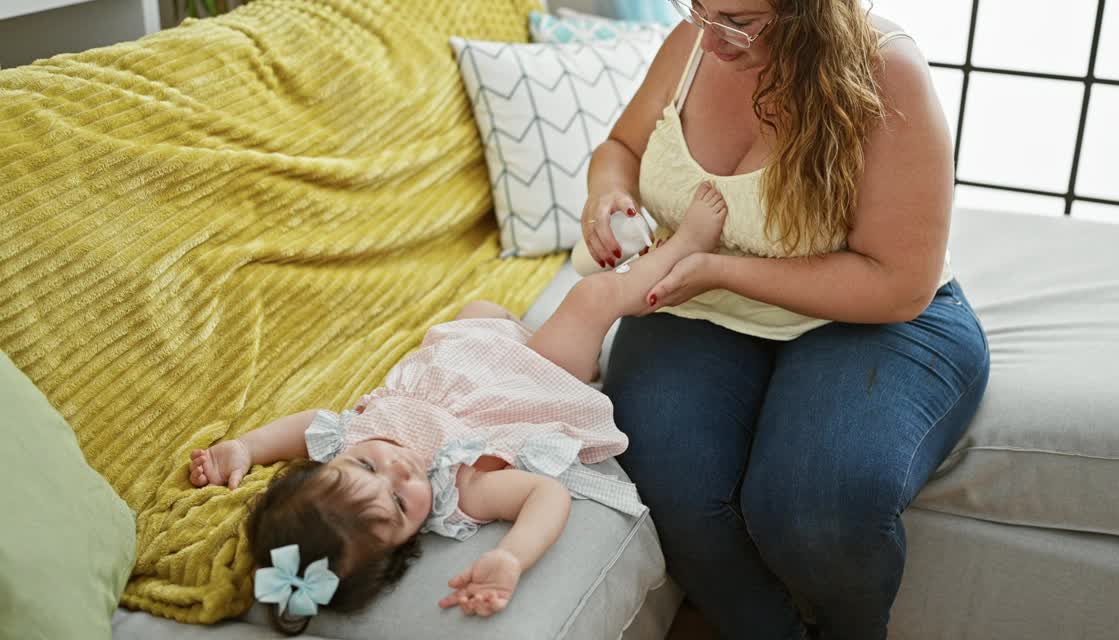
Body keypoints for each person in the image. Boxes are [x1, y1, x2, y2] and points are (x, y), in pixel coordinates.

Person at [578, 0, 990, 638]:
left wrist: (712, 266)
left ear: (811, 2)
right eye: (695, 4)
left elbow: (899, 283)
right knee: (666, 487)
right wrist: (607, 193)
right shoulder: (694, 45)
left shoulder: (885, 75)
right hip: (701, 306)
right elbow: (619, 146)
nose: (708, 37)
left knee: (815, 507)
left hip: (869, 317)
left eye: (738, 21)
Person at [188, 183, 729, 635]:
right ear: (408, 543)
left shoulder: (351, 436)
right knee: (589, 299)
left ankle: (531, 331)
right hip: (533, 381)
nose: (397, 469)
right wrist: (513, 557)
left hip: (474, 355)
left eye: (365, 467)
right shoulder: (457, 491)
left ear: (327, 464)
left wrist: (244, 447)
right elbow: (546, 495)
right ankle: (686, 246)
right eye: (400, 502)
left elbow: (306, 427)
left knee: (480, 309)